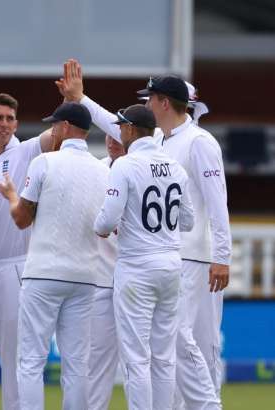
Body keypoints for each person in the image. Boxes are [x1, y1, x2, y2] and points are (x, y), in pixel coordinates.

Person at [58, 59, 230, 409]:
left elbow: (217, 202)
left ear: (164, 103)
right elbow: (119, 125)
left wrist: (222, 257)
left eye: (150, 98)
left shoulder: (200, 142)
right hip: (170, 257)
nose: (146, 104)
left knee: (193, 342)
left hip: (194, 259)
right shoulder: (158, 142)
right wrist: (82, 99)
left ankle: (209, 404)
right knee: (168, 348)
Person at [0, 102, 108, 410]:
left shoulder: (44, 162)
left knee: (31, 360)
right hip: (86, 276)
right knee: (77, 363)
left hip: (44, 272)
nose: (53, 131)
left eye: (56, 126)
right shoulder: (102, 169)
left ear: (67, 127)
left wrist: (12, 196)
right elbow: (106, 227)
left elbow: (21, 219)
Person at [94, 104, 195, 410]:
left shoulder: (126, 164)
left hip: (137, 266)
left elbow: (105, 222)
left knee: (136, 357)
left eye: (121, 126)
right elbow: (188, 221)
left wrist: (114, 224)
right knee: (164, 357)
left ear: (130, 129)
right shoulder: (175, 166)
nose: (119, 132)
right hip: (171, 264)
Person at [0, 93, 53, 410]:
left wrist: (72, 98)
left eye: (9, 119)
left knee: (15, 359)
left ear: (17, 123)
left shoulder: (26, 151)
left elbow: (57, 133)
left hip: (13, 266)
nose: (4, 124)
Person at [88, 134, 125, 410]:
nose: (113, 141)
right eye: (109, 135)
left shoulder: (138, 168)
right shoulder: (96, 170)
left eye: (119, 135)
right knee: (96, 360)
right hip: (101, 279)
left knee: (140, 359)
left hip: (135, 278)